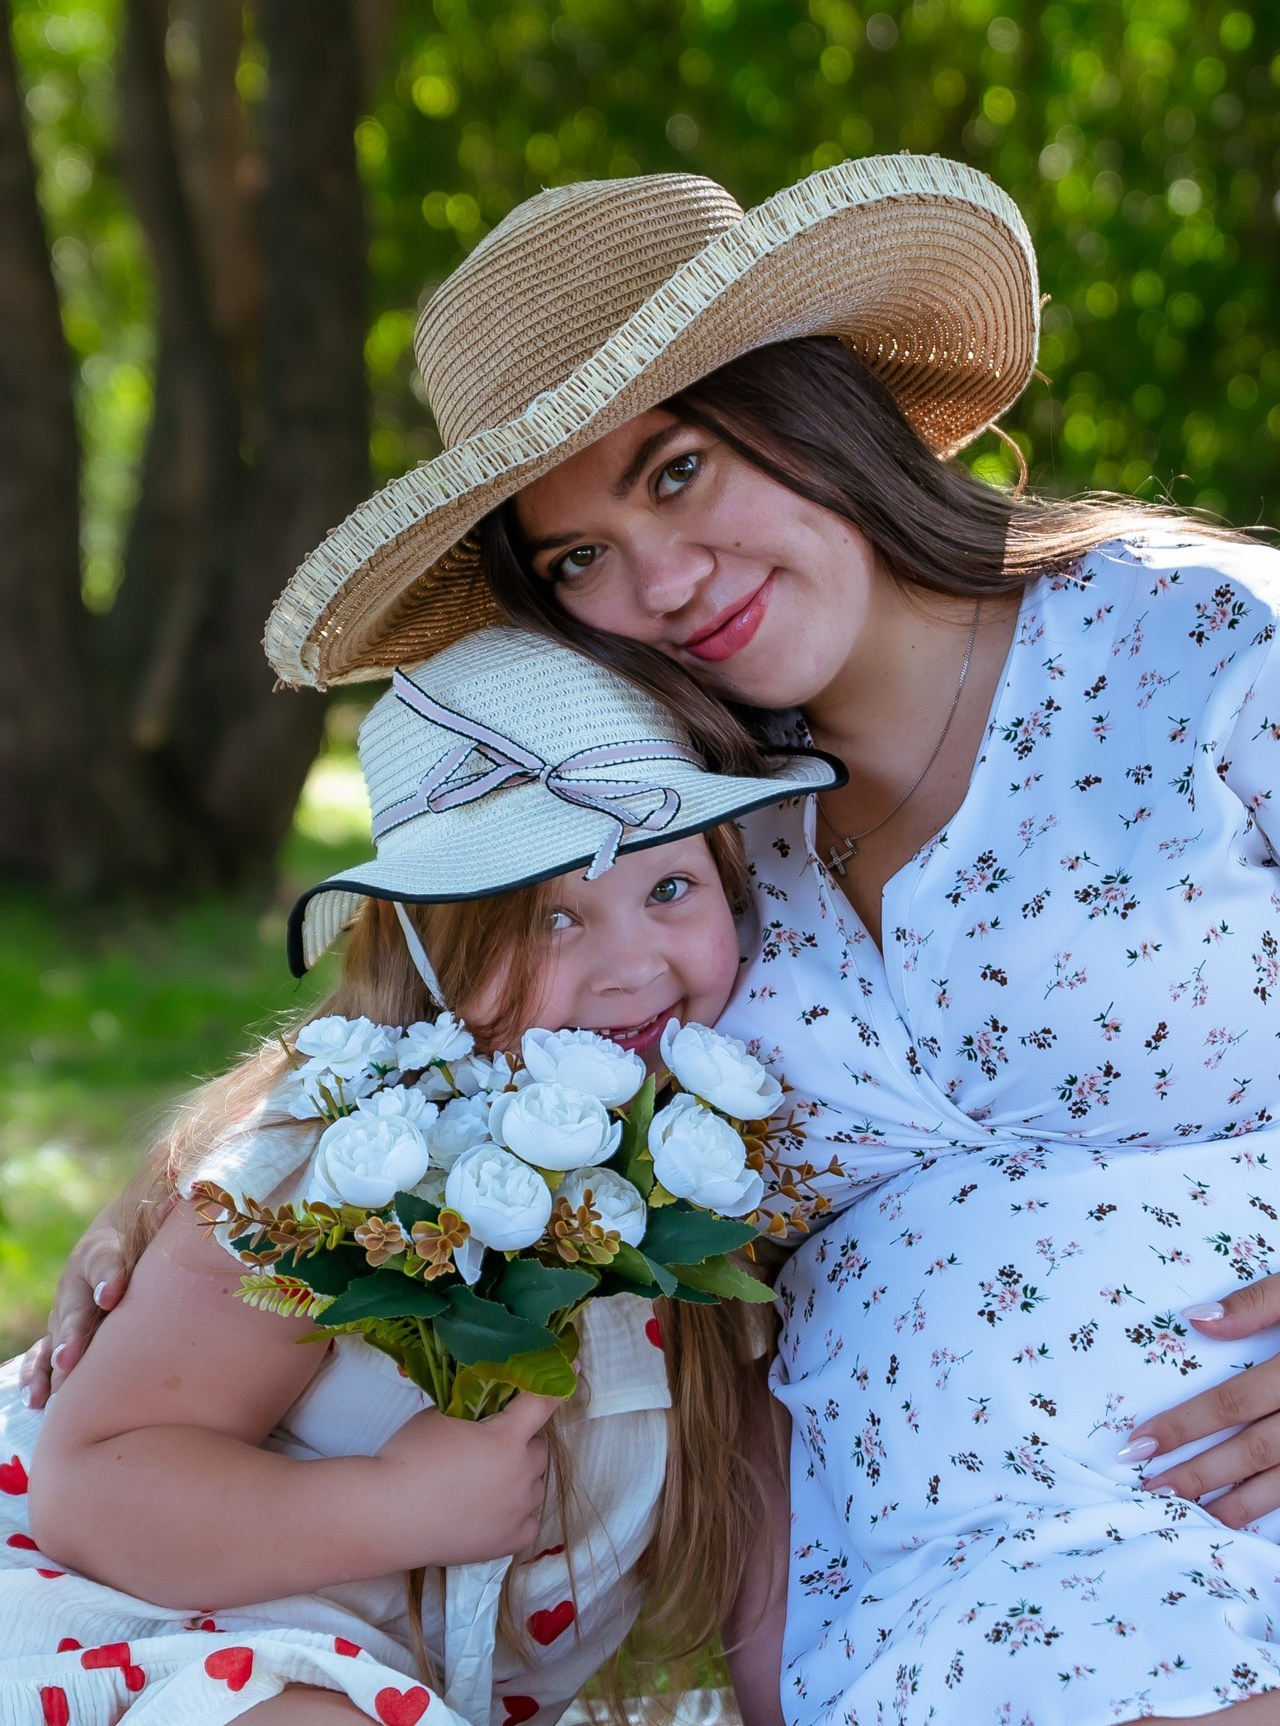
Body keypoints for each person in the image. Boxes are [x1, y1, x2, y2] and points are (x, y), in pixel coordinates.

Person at [27, 158, 1280, 1723]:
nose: (661, 583)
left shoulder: (1209, 643)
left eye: (678, 471)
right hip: (914, 1614)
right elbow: (467, 1002)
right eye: (577, 557)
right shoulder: (691, 817)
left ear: (821, 404)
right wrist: (188, 1187)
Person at [0, 625, 839, 1725]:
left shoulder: (718, 1189)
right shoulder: (323, 1170)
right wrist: (389, 1503)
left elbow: (771, 1596)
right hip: (151, 1629)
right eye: (548, 915)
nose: (631, 965)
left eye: (671, 887)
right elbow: (92, 1488)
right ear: (425, 953)